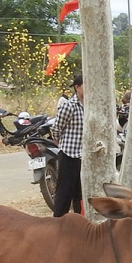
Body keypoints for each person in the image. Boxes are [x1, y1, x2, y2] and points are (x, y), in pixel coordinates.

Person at [51, 74, 85, 217]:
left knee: (81, 193)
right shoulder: (69, 106)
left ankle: (79, 223)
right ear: (77, 88)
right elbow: (55, 128)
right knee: (64, 192)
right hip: (69, 155)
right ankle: (57, 223)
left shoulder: (91, 106)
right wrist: (61, 144)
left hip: (84, 157)